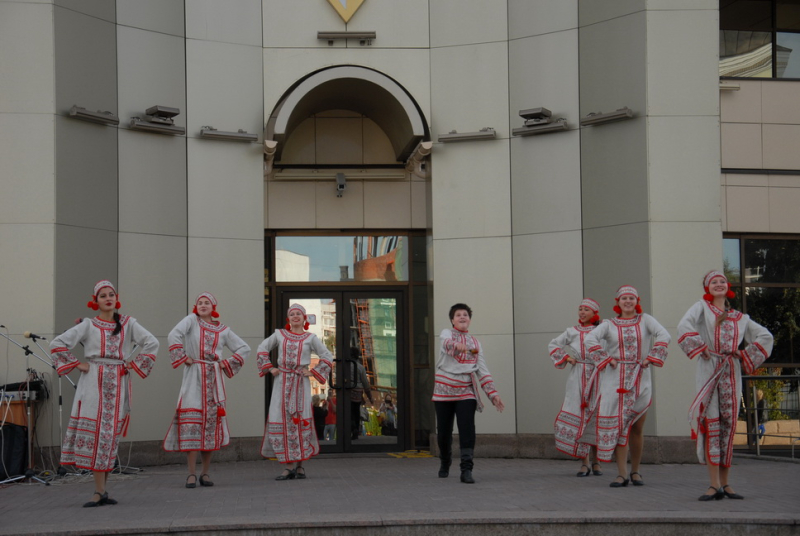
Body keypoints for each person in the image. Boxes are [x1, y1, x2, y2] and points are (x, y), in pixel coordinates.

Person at [50, 280, 158, 507]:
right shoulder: (88, 325)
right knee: (98, 433)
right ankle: (99, 491)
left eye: (111, 294)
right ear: (95, 301)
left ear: (116, 298)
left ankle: (102, 491)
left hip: (118, 381)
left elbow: (152, 342)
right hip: (93, 382)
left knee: (109, 436)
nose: (108, 298)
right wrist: (78, 364)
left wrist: (132, 365)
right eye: (103, 296)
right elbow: (58, 344)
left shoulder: (128, 323)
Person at [677, 270, 773, 501]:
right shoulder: (701, 308)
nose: (718, 284)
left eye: (722, 281)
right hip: (709, 370)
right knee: (711, 426)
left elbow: (765, 336)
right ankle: (713, 484)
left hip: (731, 371)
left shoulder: (741, 318)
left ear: (727, 287)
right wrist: (702, 348)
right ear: (707, 289)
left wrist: (743, 354)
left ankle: (726, 483)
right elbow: (684, 325)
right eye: (713, 282)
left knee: (728, 427)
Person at [583, 286, 670, 488]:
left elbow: (664, 335)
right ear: (618, 301)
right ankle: (622, 473)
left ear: (637, 300)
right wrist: (605, 359)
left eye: (631, 298)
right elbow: (589, 339)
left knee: (637, 427)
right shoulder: (608, 324)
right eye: (624, 298)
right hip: (615, 379)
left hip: (640, 378)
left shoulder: (646, 320)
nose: (628, 301)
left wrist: (652, 357)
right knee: (620, 427)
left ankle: (636, 471)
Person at [163, 293, 250, 488]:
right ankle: (191, 473)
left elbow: (244, 348)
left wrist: (225, 364)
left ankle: (205, 472)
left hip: (214, 378)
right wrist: (182, 356)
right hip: (194, 375)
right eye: (200, 303)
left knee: (210, 425)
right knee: (192, 422)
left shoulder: (223, 330)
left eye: (207, 303)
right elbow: (173, 334)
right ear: (196, 307)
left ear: (213, 307)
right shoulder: (191, 321)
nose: (203, 305)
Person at [257, 304, 333, 480]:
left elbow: (327, 355)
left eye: (299, 313)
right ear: (288, 318)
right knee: (282, 419)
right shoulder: (279, 335)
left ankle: (300, 466)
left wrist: (312, 372)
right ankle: (288, 466)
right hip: (282, 381)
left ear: (304, 318)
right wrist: (269, 367)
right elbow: (262, 347)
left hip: (300, 382)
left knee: (300, 420)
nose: (295, 316)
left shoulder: (310, 338)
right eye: (292, 314)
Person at [433, 303, 505, 484]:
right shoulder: (446, 334)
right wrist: (457, 345)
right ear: (452, 320)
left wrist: (493, 394)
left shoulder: (475, 343)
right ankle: (445, 460)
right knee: (443, 432)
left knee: (467, 429)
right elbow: (446, 344)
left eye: (465, 315)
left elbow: (482, 369)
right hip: (443, 390)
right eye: (458, 315)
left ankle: (466, 469)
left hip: (466, 390)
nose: (462, 317)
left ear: (470, 320)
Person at [549, 298, 603, 477]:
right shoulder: (571, 331)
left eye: (586, 310)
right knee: (581, 416)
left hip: (598, 375)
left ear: (594, 313)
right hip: (578, 376)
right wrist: (567, 358)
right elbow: (553, 344)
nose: (582, 312)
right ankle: (585, 462)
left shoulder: (601, 330)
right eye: (580, 309)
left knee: (597, 415)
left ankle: (596, 461)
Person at [347, 346, 373, 440]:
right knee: (356, 411)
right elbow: (365, 383)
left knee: (348, 412)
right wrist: (370, 397)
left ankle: (350, 427)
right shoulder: (360, 367)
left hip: (347, 390)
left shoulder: (345, 365)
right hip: (357, 391)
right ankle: (356, 430)